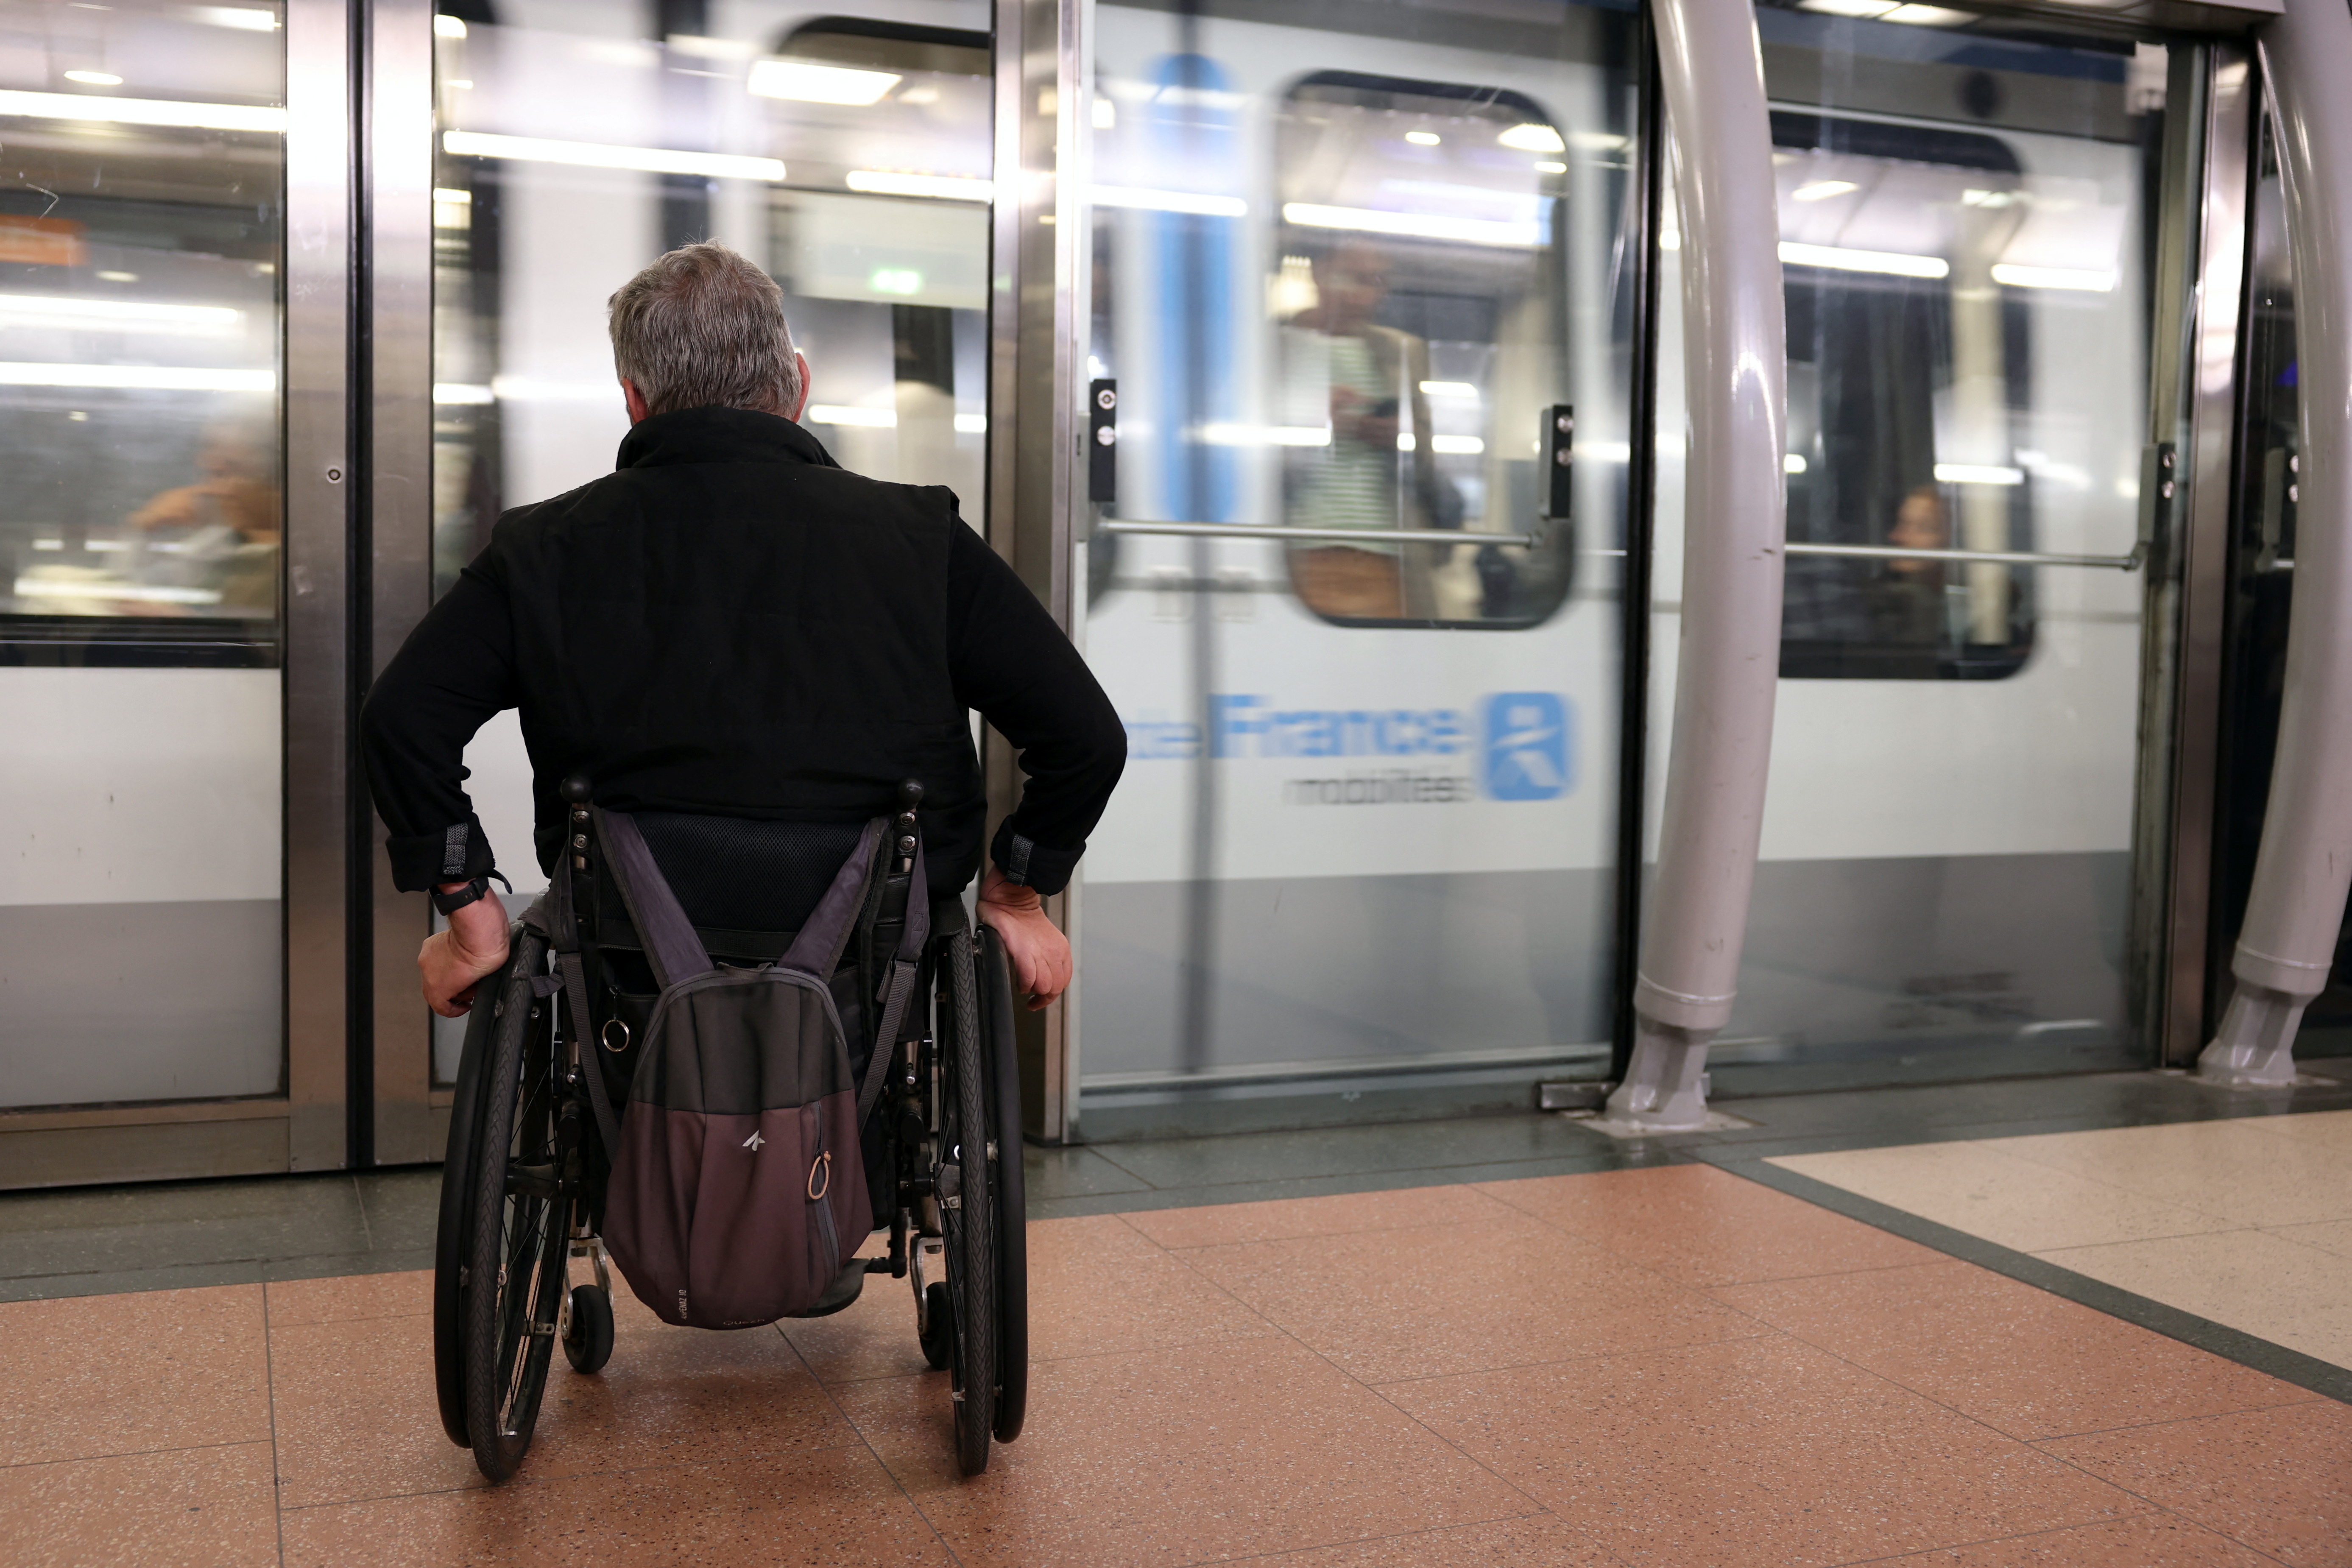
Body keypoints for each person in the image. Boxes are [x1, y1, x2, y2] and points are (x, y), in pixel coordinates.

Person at [360, 241, 1125, 1019]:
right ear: (797, 384)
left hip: (625, 952)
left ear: (633, 399)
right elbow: (1085, 738)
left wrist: (469, 906)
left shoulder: (539, 547)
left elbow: (401, 722)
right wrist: (1019, 889)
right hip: (880, 953)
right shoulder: (921, 538)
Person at [1275, 238, 1458, 619]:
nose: (1361, 295)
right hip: (1296, 548)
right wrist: (1312, 420)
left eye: (1374, 282)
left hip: (1389, 550)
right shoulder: (1269, 349)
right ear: (1318, 274)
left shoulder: (1401, 352)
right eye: (1349, 278)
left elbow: (1424, 457)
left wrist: (1398, 437)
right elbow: (1234, 452)